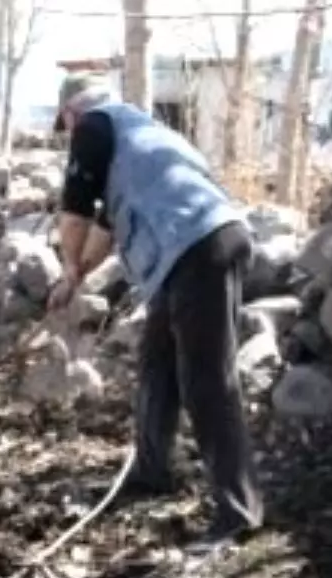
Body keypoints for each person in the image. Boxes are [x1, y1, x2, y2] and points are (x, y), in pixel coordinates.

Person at [47, 73, 264, 549]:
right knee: (156, 363)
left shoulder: (94, 127)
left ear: (70, 113)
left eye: (66, 127)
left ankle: (239, 513)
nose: (70, 138)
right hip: (196, 247)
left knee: (208, 381)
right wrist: (79, 272)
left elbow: (76, 210)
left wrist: (65, 270)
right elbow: (104, 228)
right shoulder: (137, 136)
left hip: (196, 247)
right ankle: (150, 472)